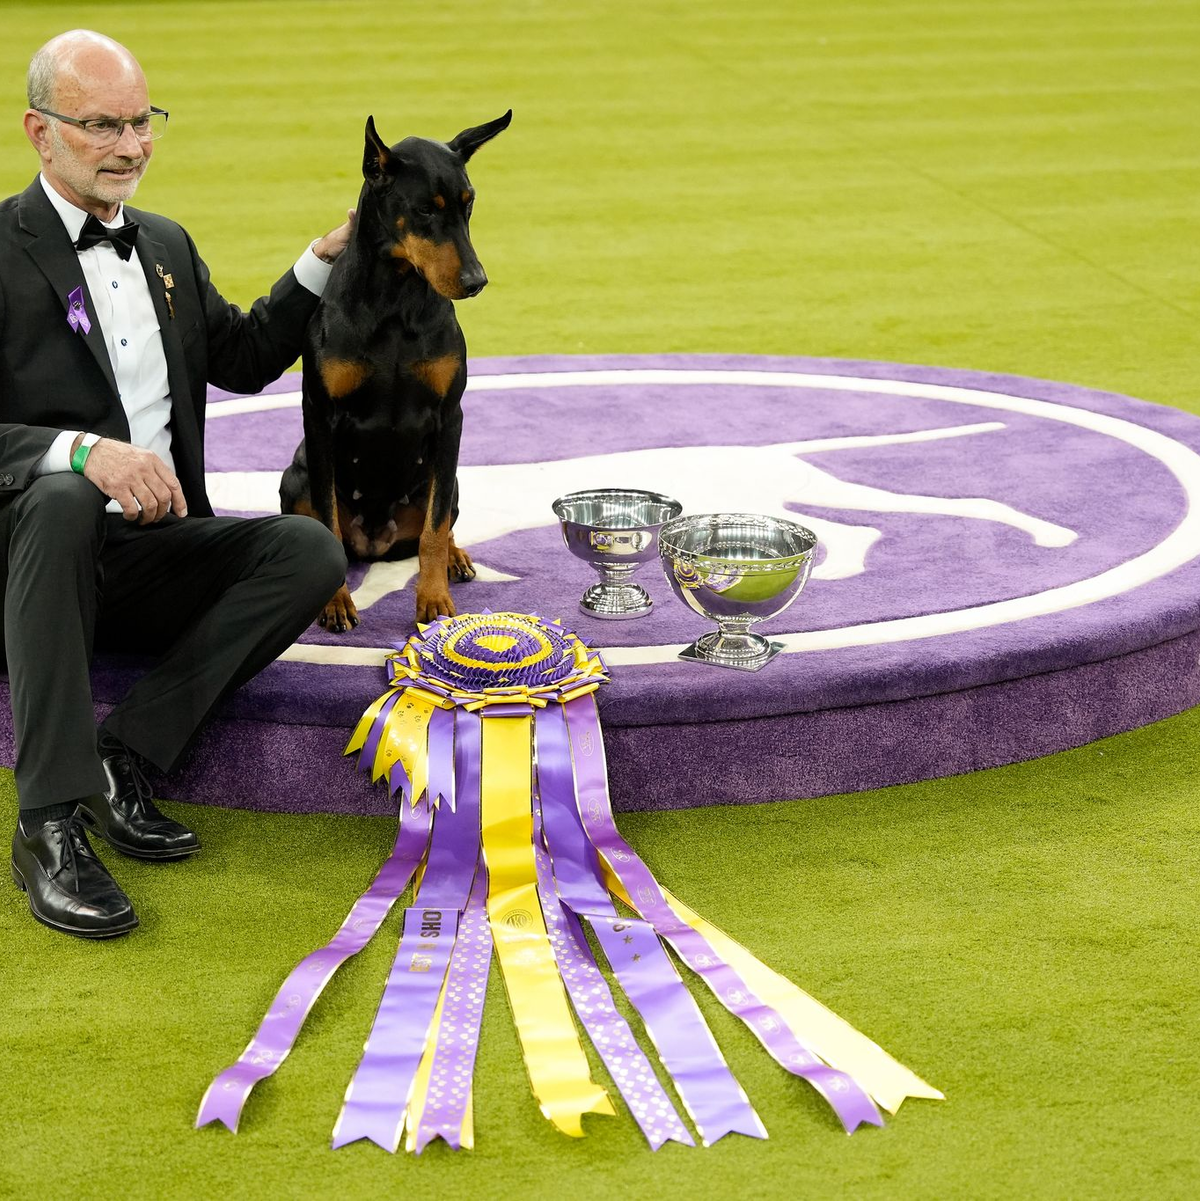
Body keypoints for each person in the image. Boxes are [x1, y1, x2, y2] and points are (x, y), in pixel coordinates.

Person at [1, 29, 350, 939]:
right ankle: (48, 825)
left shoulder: (164, 243)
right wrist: (79, 451)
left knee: (309, 548)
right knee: (66, 493)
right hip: (32, 565)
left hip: (151, 558)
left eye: (142, 122)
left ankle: (127, 755)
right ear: (41, 133)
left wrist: (325, 256)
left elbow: (240, 356)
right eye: (102, 126)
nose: (131, 146)